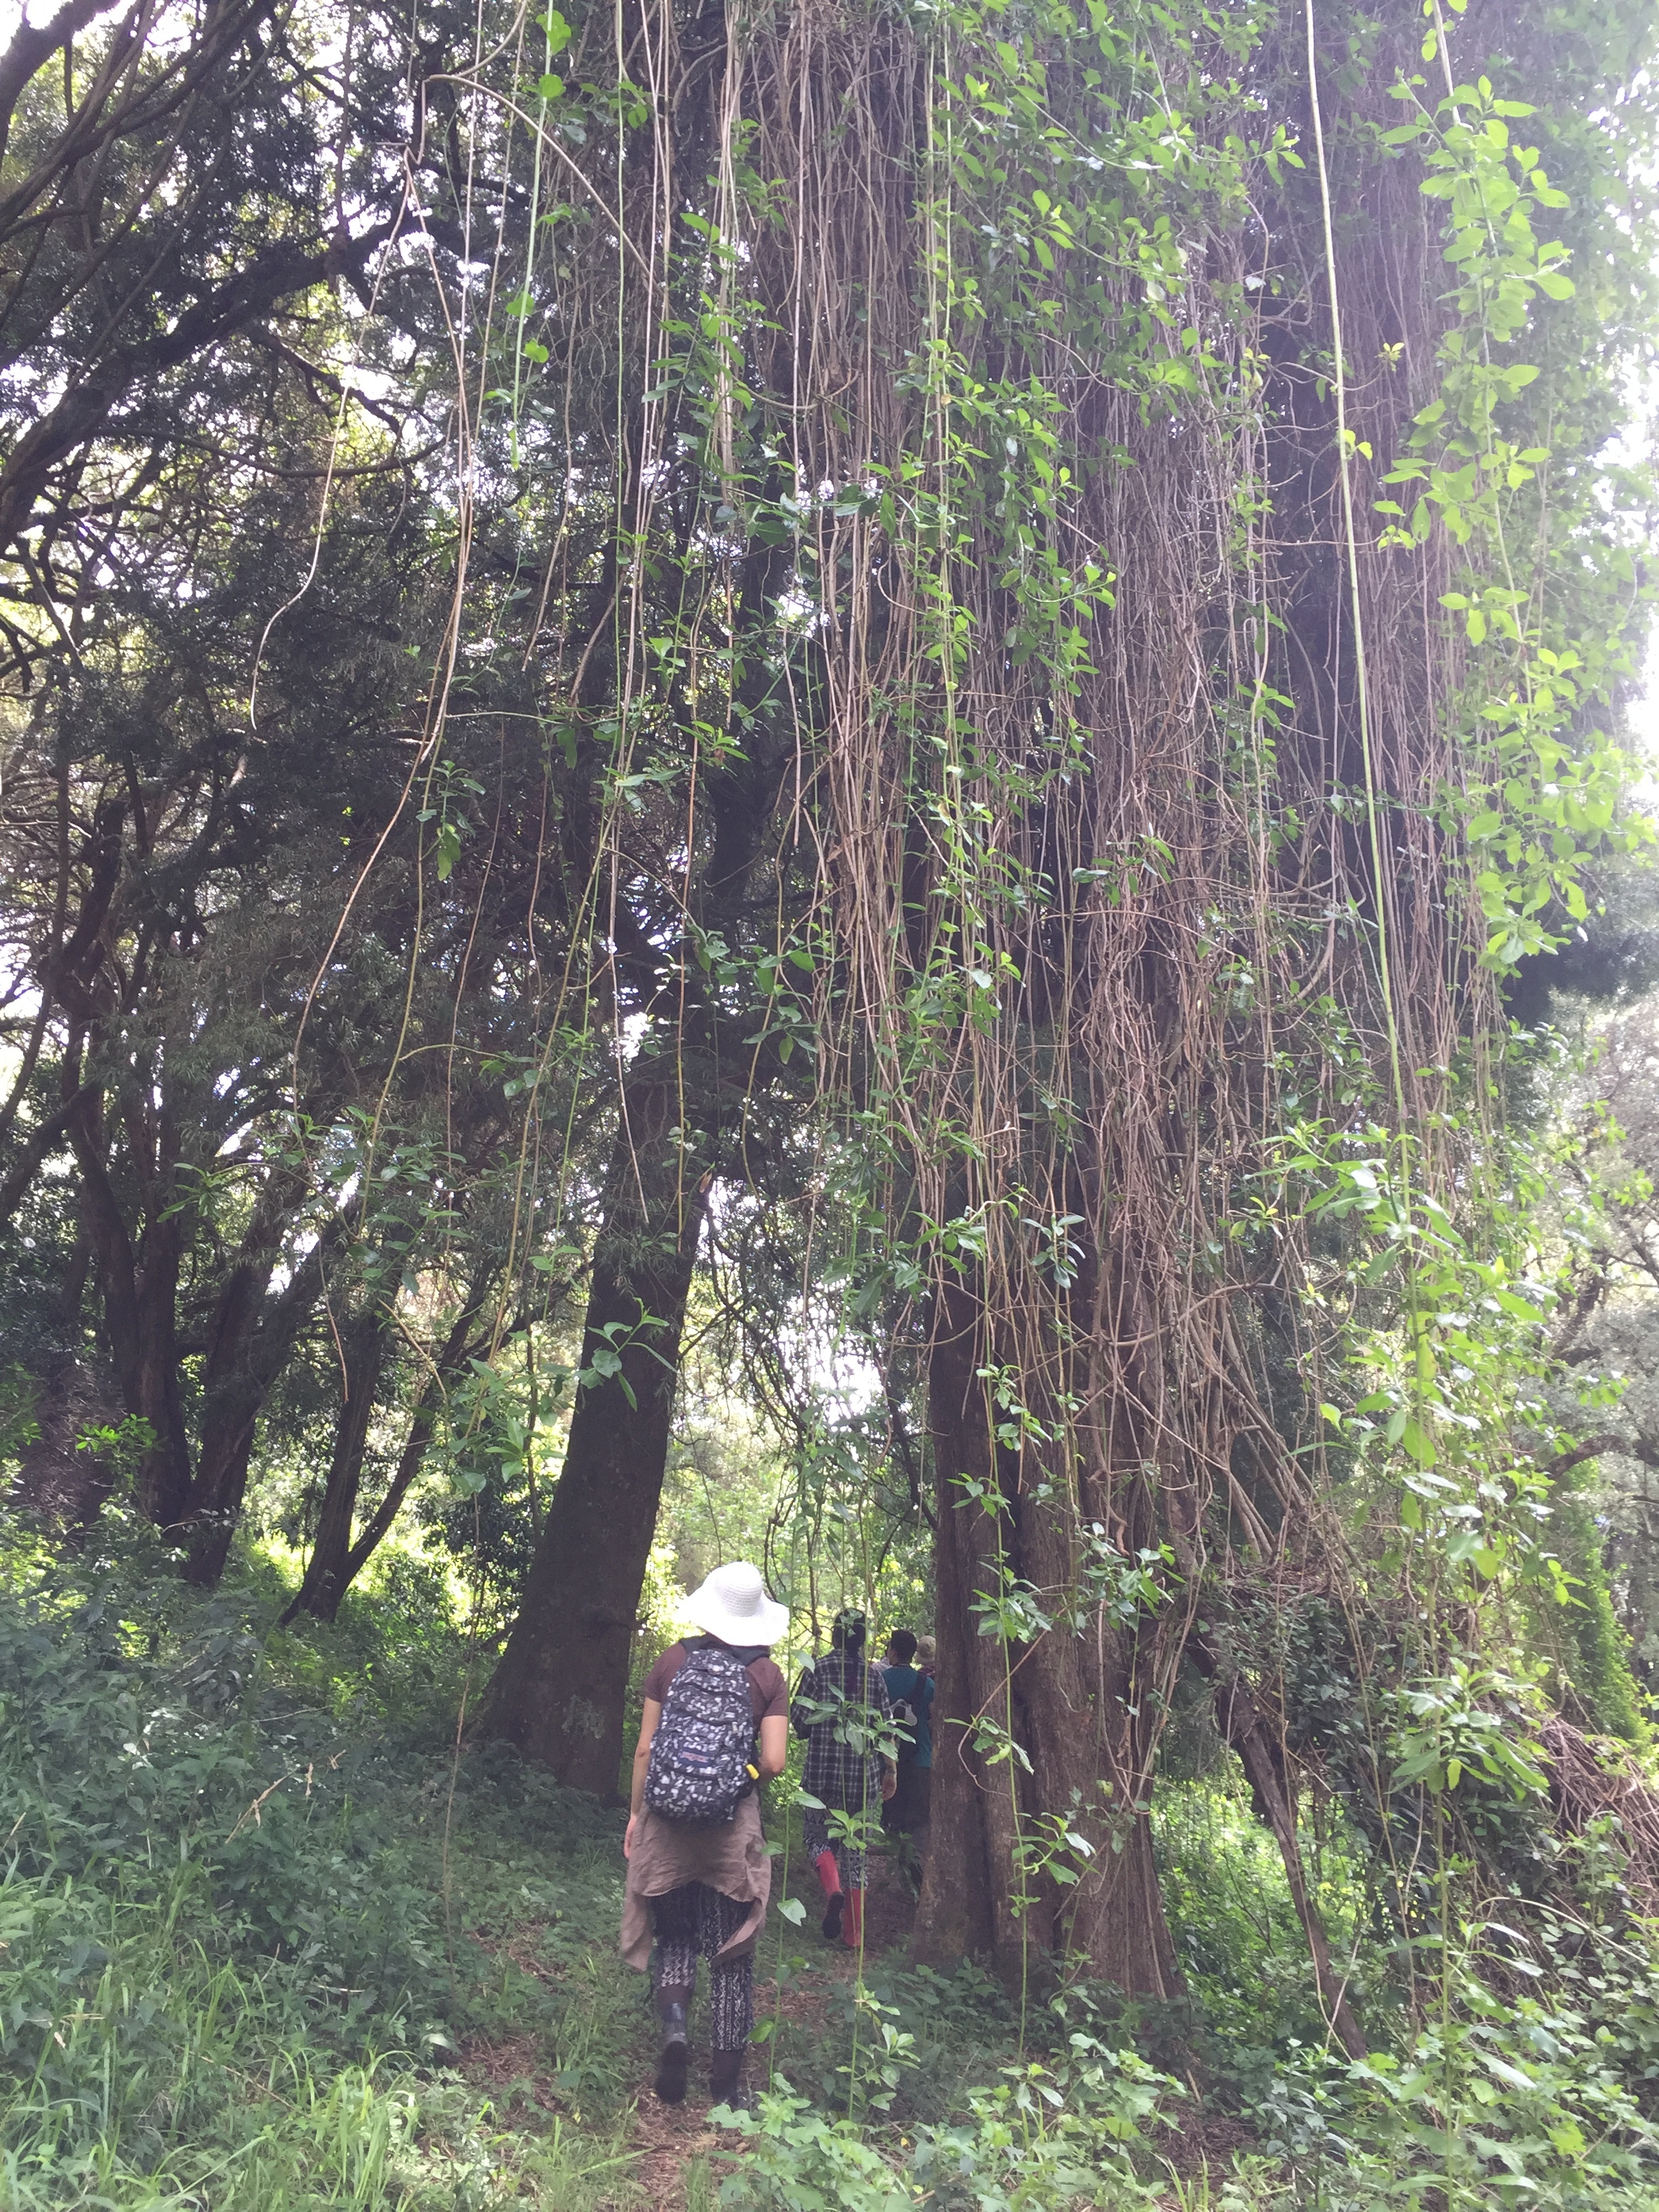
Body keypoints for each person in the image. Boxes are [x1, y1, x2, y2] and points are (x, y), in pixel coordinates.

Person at [621, 1561, 790, 2109]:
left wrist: (636, 1815)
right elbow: (775, 1760)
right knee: (730, 1955)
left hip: (666, 1822)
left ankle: (674, 2031)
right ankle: (726, 2090)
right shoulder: (766, 1676)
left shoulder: (671, 1661)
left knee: (676, 1936)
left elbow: (645, 1749)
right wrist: (735, 1780)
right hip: (729, 1830)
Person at [790, 1608, 895, 1950]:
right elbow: (886, 1731)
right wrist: (891, 1771)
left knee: (816, 1837)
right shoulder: (874, 1677)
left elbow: (800, 1722)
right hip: (860, 1780)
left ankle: (831, 1887)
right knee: (856, 1852)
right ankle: (853, 1936)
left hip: (821, 1776)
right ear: (863, 1639)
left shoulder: (817, 1670)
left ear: (835, 1635)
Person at [878, 1629, 935, 1839]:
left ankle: (894, 1861)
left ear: (892, 1651)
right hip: (920, 1758)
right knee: (919, 1823)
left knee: (893, 1818)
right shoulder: (926, 1683)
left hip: (887, 1761)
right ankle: (916, 1869)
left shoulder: (880, 1680)